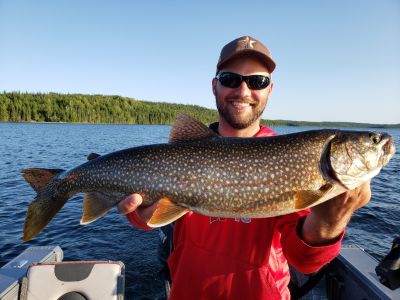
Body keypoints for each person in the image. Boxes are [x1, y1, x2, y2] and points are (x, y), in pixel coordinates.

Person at [117, 35, 371, 299]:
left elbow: (304, 261)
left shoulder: (295, 158)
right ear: (215, 86)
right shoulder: (184, 153)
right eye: (230, 79)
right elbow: (151, 217)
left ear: (270, 89)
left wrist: (331, 220)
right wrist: (140, 215)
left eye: (256, 81)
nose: (243, 91)